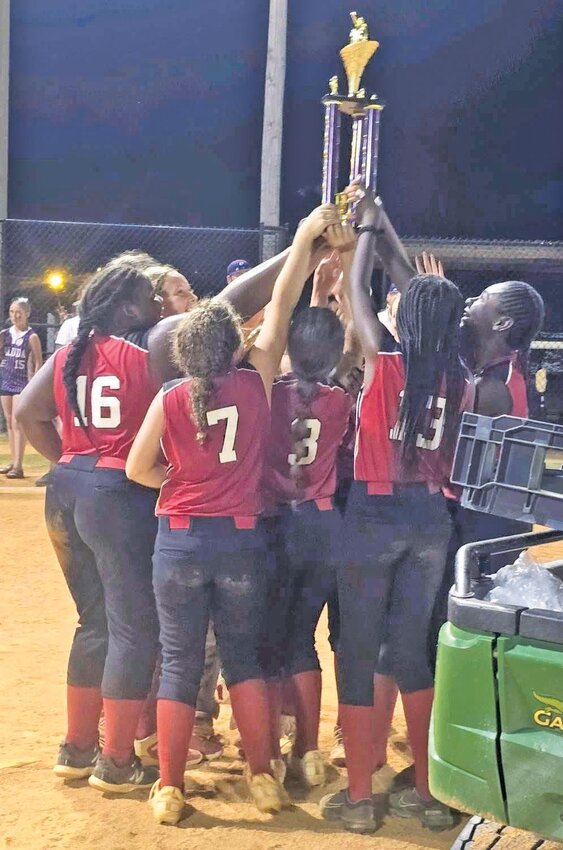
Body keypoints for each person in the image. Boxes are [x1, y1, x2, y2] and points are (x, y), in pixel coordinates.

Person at [16, 238, 331, 795]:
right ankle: (117, 760)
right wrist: (301, 248)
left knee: (99, 624)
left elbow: (25, 412)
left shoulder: (76, 347)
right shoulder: (161, 342)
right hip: (133, 500)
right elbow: (234, 304)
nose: (169, 304)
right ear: (136, 306)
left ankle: (80, 747)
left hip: (70, 485)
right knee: (138, 631)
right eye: (157, 294)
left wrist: (77, 460)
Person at [125, 204, 348, 826]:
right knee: (245, 659)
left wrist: (188, 479)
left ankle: (170, 788)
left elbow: (137, 470)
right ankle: (262, 778)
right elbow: (279, 302)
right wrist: (303, 240)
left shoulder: (172, 397)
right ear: (235, 344)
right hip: (244, 543)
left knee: (178, 662)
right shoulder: (258, 382)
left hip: (181, 542)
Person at [320, 184, 470, 834]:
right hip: (429, 523)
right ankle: (429, 793)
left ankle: (360, 797)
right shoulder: (457, 374)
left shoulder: (382, 360)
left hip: (373, 517)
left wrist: (365, 234)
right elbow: (426, 301)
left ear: (404, 318)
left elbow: (360, 290)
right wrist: (386, 228)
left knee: (360, 650)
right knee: (410, 652)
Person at [263, 259, 354, 789]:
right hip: (323, 526)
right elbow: (324, 359)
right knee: (303, 639)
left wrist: (314, 297)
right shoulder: (342, 399)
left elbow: (296, 357)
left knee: (269, 637)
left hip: (276, 525)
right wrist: (328, 301)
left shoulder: (269, 391)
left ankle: (270, 748)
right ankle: (309, 750)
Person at [0, 297, 42, 479]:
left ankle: (19, 465)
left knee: (17, 422)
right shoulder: (5, 334)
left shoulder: (31, 336)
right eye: (12, 312)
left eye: (19, 312)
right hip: (6, 380)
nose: (15, 316)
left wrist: (34, 383)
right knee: (9, 421)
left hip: (22, 383)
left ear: (26, 314)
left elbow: (39, 361)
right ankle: (13, 460)